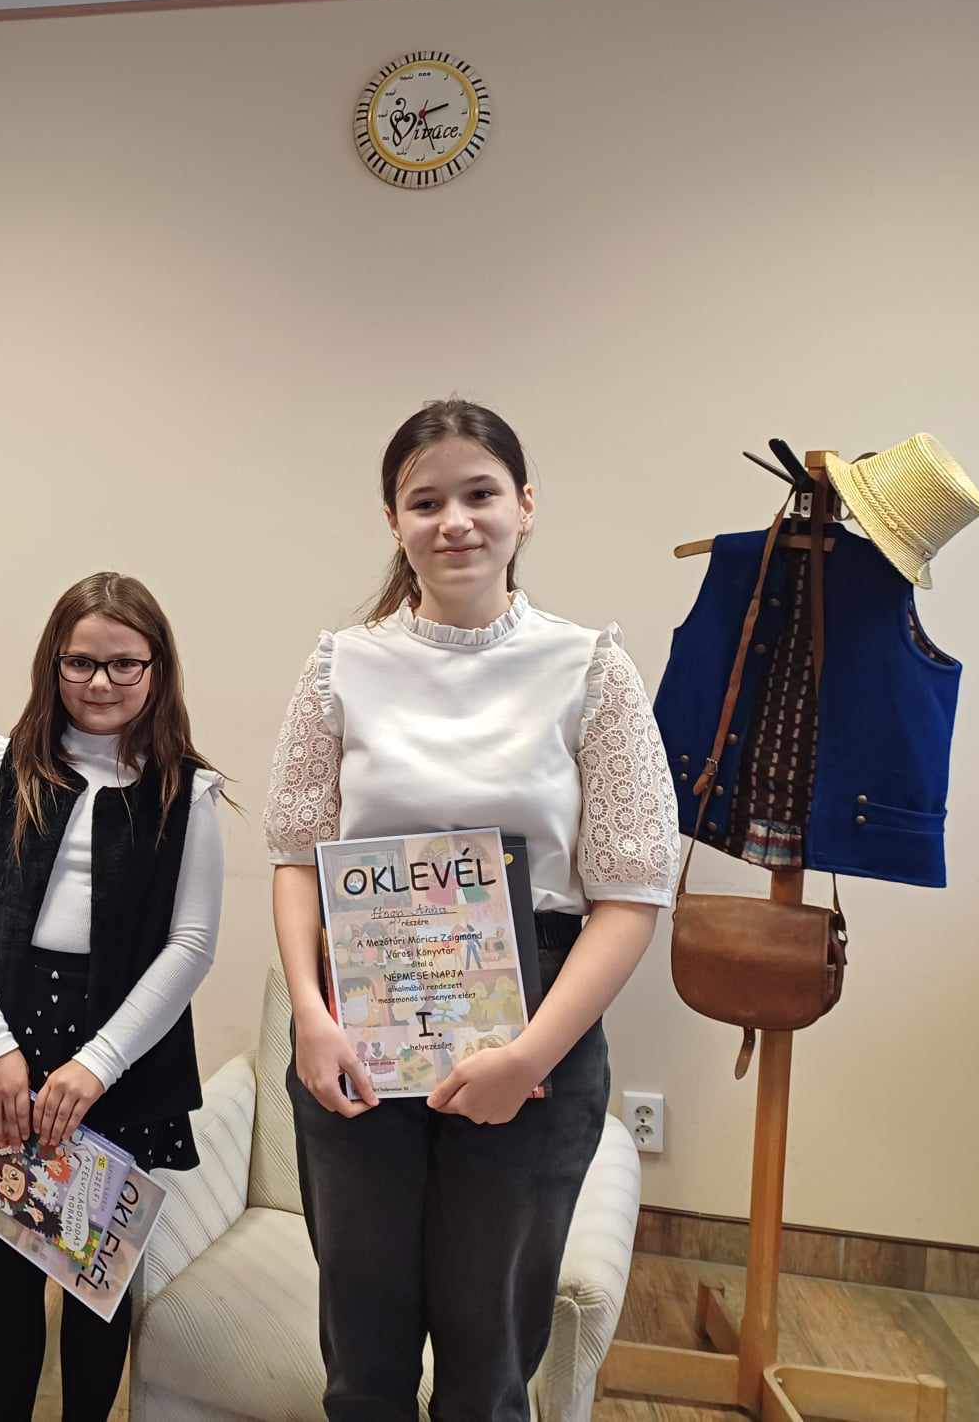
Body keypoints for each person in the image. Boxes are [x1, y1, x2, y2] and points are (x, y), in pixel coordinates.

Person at [263, 401, 680, 1421]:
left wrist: (526, 1057)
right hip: (360, 1025)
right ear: (393, 521)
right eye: (425, 501)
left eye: (479, 493)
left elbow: (630, 894)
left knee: (489, 1367)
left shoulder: (589, 665)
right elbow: (295, 857)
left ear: (524, 505)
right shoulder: (338, 664)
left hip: (535, 1029)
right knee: (361, 1354)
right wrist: (310, 1016)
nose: (454, 521)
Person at [0, 571, 227, 1422]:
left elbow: (191, 946)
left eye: (125, 664)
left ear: (157, 670)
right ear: (53, 665)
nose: (101, 682)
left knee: (98, 1279)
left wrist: (97, 1064)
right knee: (9, 1268)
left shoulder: (188, 791)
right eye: (80, 662)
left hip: (119, 1054)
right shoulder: (6, 766)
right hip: (7, 1038)